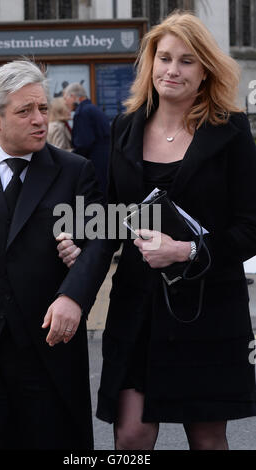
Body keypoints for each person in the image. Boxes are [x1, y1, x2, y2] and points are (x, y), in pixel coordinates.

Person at [57, 12, 256, 450]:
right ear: (150, 63)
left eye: (186, 61)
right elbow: (113, 212)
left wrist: (185, 250)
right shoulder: (125, 127)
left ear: (205, 69)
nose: (172, 70)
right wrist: (81, 246)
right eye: (163, 58)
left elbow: (249, 227)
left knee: (207, 439)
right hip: (136, 308)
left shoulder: (232, 130)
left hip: (207, 309)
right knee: (130, 435)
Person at [0, 59, 106, 450]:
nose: (40, 119)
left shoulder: (75, 172)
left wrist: (73, 294)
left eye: (43, 107)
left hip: (49, 356)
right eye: (25, 111)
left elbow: (100, 243)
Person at [63, 82, 110, 198]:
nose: (65, 102)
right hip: (105, 164)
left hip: (95, 167)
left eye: (66, 98)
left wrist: (67, 158)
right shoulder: (93, 109)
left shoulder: (82, 112)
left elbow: (83, 144)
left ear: (73, 97)